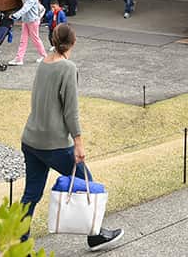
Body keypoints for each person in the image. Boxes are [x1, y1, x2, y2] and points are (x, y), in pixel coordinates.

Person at [19, 24, 123, 251]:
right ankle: (94, 235)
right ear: (73, 43)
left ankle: (19, 242)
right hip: (54, 144)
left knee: (31, 193)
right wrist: (79, 143)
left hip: (30, 139)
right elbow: (70, 111)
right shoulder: (68, 68)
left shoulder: (44, 63)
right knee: (87, 183)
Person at [8, 0, 47, 66]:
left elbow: (25, 8)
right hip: (28, 20)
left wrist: (14, 16)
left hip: (32, 20)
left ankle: (44, 55)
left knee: (34, 39)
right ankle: (19, 58)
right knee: (24, 40)